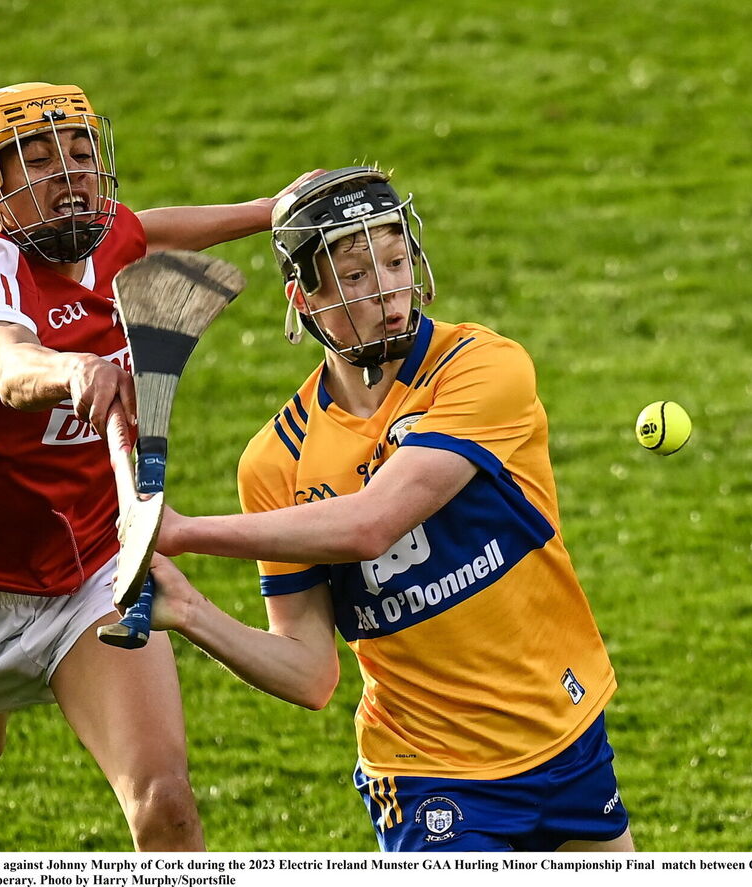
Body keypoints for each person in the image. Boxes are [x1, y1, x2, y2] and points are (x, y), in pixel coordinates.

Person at [0, 81, 318, 851]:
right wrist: (71, 372)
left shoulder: (97, 237)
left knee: (166, 804)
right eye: (37, 162)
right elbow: (6, 360)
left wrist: (268, 209)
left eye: (78, 153)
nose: (70, 175)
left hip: (94, 571)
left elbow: (149, 233)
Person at [148, 166, 635, 852]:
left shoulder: (481, 366)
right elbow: (311, 671)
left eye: (396, 259)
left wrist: (182, 532)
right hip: (428, 777)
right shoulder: (276, 462)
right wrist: (191, 613)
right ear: (303, 297)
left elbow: (373, 521)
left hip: (570, 734)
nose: (387, 291)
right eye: (353, 274)